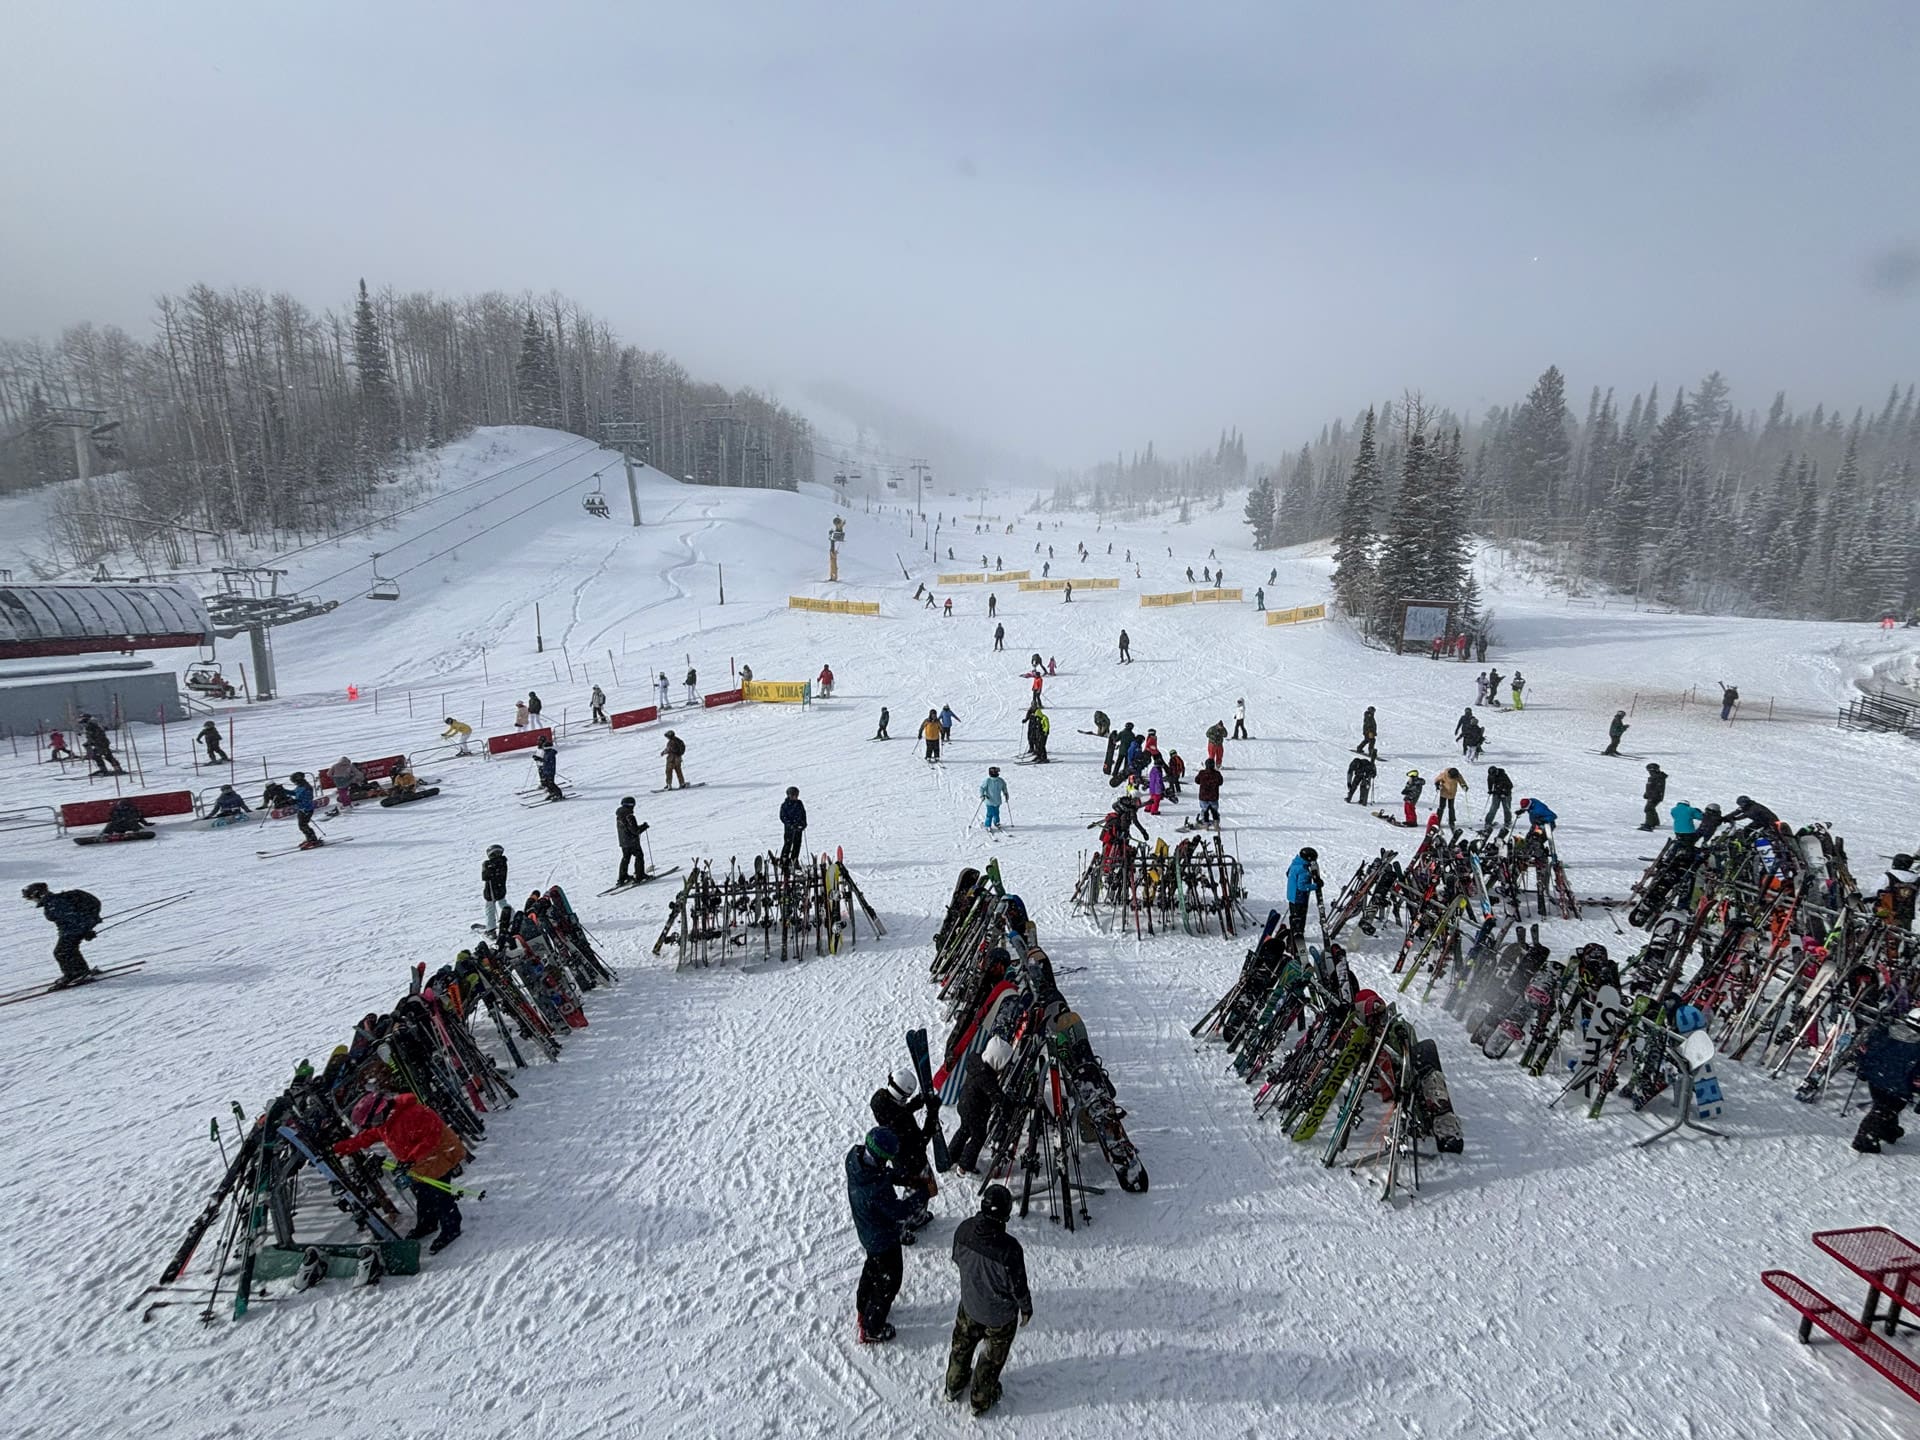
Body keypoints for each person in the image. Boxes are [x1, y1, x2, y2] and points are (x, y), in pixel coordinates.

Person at [333, 1091, 466, 1253]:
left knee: (439, 1195)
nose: (375, 1125)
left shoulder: (414, 1113)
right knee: (422, 1194)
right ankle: (427, 1224)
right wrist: (340, 1148)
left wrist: (410, 1159)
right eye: (372, 1123)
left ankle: (451, 1227)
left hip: (439, 1154)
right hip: (419, 1161)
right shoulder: (385, 1124)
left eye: (375, 1120)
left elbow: (432, 1137)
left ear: (382, 1109)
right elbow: (365, 1138)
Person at [945, 1183, 1033, 1416]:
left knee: (961, 1347)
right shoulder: (1010, 1250)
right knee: (991, 1360)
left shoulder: (964, 1230)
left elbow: (956, 1258)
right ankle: (980, 1399)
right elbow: (1018, 1288)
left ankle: (953, 1385)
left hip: (970, 1306)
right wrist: (1026, 1309)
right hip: (999, 1318)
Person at [846, 1126, 925, 1344]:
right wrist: (921, 1195)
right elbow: (899, 1211)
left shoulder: (855, 1160)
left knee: (873, 1268)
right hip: (883, 1239)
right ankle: (873, 1328)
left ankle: (863, 1307)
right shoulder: (875, 1189)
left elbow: (881, 1174)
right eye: (887, 1159)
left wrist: (903, 1179)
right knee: (889, 1282)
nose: (888, 1163)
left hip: (868, 1234)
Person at [1850, 1007, 1920, 1154]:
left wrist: (1862, 1068)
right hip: (1898, 1086)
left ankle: (1889, 1130)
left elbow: (1867, 1050)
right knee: (1884, 1109)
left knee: (1883, 1106)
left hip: (1875, 1079)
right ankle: (1865, 1139)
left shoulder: (1887, 1032)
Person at [23, 881, 103, 988]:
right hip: (71, 930)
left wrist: (85, 930)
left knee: (61, 952)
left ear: (38, 894)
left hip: (73, 930)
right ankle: (81, 971)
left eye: (31, 898)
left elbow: (73, 917)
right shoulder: (53, 902)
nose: (33, 901)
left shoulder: (54, 903)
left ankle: (76, 973)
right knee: (69, 950)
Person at [948, 1035, 1009, 1173]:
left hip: (964, 1103)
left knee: (964, 1129)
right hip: (975, 1111)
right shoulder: (986, 1077)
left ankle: (950, 1156)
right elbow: (996, 1096)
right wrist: (1008, 1104)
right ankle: (965, 1166)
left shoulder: (977, 1063)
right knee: (978, 1137)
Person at [1285, 848, 1322, 940]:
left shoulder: (1296, 863)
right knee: (1300, 917)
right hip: (1299, 898)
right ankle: (1298, 933)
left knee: (1294, 915)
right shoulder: (1303, 870)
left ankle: (1293, 931)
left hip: (1291, 896)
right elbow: (1302, 886)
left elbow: (1287, 873)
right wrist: (1316, 885)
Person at [615, 799, 649, 884]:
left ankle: (622, 877)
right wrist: (644, 827)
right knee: (639, 856)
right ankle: (639, 875)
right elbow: (635, 830)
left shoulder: (619, 816)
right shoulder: (629, 816)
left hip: (623, 841)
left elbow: (627, 828)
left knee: (626, 858)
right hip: (632, 841)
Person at [289, 771, 322, 848]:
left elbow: (307, 800)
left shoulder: (307, 787)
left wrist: (296, 801)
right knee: (302, 825)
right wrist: (283, 790)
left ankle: (313, 840)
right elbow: (295, 793)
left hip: (307, 809)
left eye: (294, 781)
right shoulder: (300, 786)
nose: (294, 783)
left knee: (303, 825)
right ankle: (309, 838)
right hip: (301, 809)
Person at [482, 844, 508, 928]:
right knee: (503, 904)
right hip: (500, 889)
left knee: (490, 908)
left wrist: (488, 869)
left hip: (491, 891)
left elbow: (485, 877)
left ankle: (491, 928)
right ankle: (512, 919)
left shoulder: (496, 863)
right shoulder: (502, 862)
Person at [780, 786, 808, 865]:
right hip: (789, 829)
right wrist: (790, 825)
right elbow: (783, 817)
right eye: (793, 795)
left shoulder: (799, 803)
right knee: (788, 844)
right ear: (789, 795)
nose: (795, 797)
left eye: (796, 795)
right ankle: (784, 859)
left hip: (798, 828)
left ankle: (794, 859)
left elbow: (803, 814)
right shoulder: (785, 805)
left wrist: (803, 824)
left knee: (797, 844)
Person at [1483, 765, 1514, 832]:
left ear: (1496, 772)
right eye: (1491, 775)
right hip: (1496, 793)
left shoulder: (1503, 776)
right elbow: (1490, 782)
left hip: (1506, 794)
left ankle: (1508, 822)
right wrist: (1490, 789)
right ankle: (1488, 822)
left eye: (1493, 774)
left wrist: (1504, 792)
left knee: (1507, 808)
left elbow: (1510, 785)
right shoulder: (1490, 776)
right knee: (1493, 808)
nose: (1492, 776)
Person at [1195, 758, 1222, 830]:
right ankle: (1216, 825)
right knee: (1214, 811)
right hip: (1214, 797)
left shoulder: (1202, 773)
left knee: (1204, 811)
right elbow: (1220, 782)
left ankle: (1206, 824)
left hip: (1203, 796)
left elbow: (1196, 781)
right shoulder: (1217, 774)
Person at [1639, 763, 1668, 831]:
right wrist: (1647, 794)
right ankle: (1655, 822)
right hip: (1653, 796)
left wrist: (1652, 796)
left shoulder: (1657, 777)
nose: (1648, 772)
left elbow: (1658, 788)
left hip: (1655, 797)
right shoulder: (1655, 776)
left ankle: (1649, 825)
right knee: (1651, 808)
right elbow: (1651, 787)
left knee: (1648, 809)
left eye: (1649, 770)